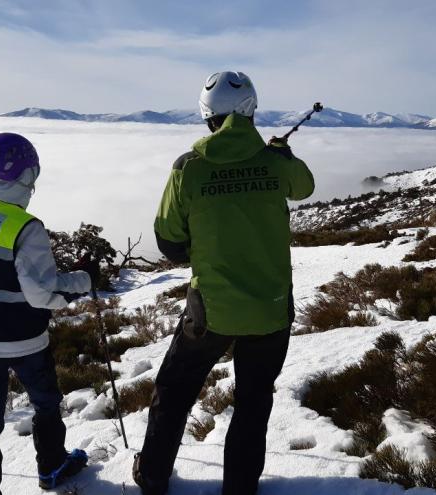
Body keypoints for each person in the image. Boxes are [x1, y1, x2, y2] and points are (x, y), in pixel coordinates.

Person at [133, 71, 315, 495]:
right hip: (270, 308)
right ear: (251, 110)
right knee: (253, 402)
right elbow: (304, 188)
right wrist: (283, 155)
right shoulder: (273, 161)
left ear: (207, 116)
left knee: (174, 391)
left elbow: (170, 243)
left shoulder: (188, 168)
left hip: (210, 309)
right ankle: (240, 487)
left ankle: (154, 476)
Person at [0, 133, 99, 493]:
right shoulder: (26, 227)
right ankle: (52, 468)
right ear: (26, 174)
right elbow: (42, 294)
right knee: (45, 402)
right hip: (25, 338)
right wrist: (84, 280)